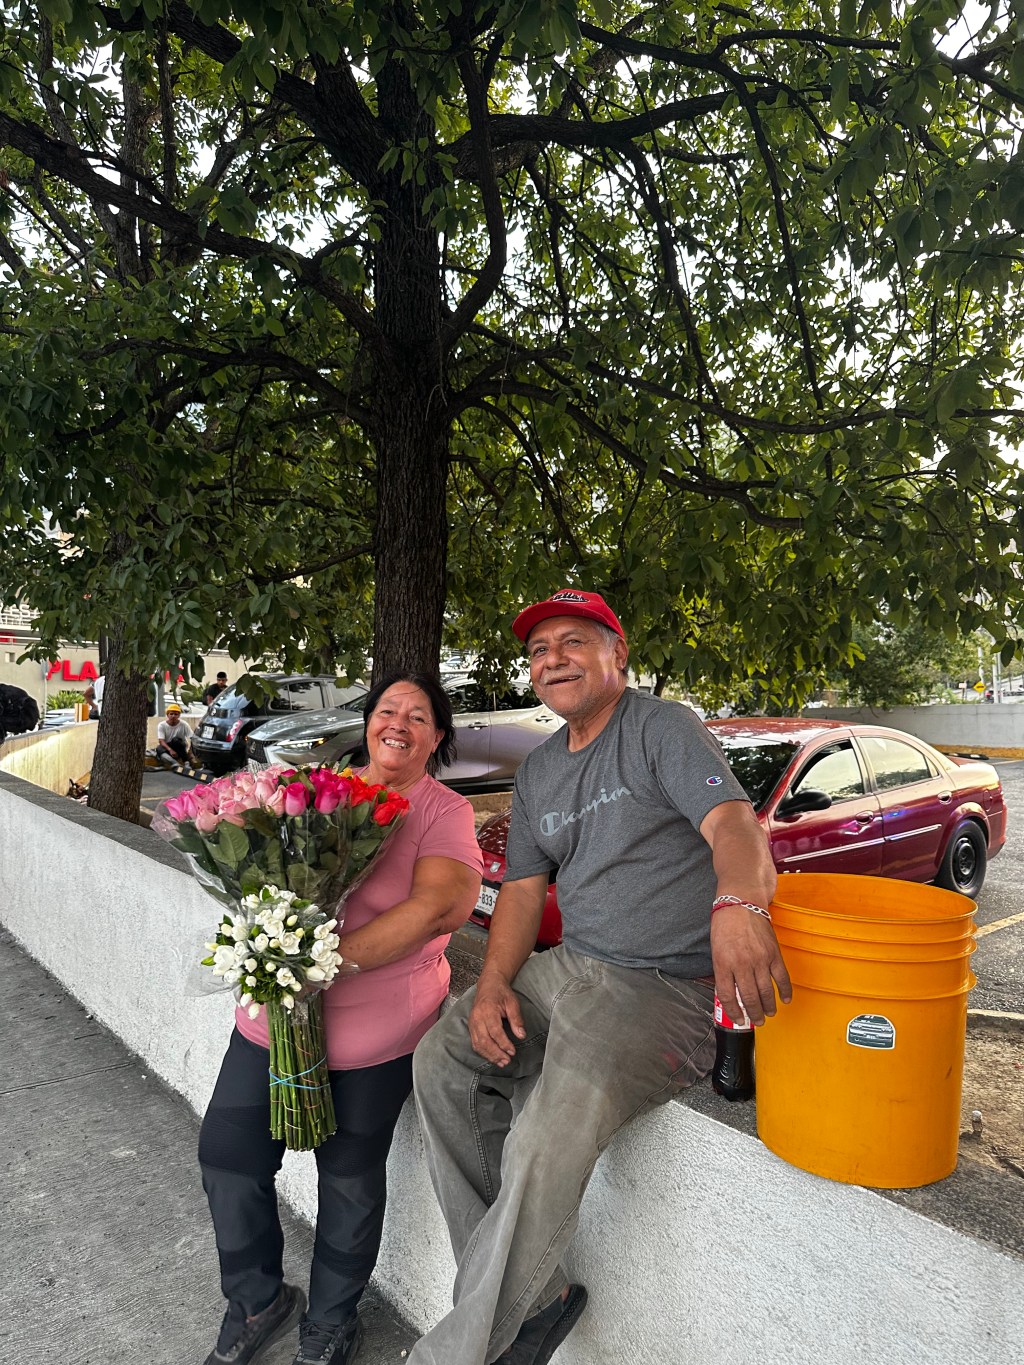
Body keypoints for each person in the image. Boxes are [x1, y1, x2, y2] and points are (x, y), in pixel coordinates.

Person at [408, 589, 792, 1365]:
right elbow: (523, 892)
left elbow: (733, 825)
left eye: (573, 641)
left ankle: (456, 1352)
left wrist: (739, 901)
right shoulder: (542, 769)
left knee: (545, 1130)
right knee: (441, 1061)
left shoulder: (661, 727)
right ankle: (535, 1301)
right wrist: (493, 983)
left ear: (618, 654)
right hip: (570, 969)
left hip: (663, 987)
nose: (553, 658)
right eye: (539, 648)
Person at [199, 672, 483, 1365]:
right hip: (274, 1023)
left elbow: (439, 909)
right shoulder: (313, 788)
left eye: (419, 716)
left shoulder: (442, 811)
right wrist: (263, 944)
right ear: (368, 721)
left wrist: (322, 961)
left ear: (437, 737)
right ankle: (256, 1300)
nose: (399, 723)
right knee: (228, 1156)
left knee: (348, 1180)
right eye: (387, 709)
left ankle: (329, 1322)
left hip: (375, 1036)